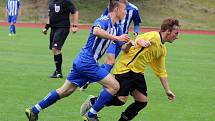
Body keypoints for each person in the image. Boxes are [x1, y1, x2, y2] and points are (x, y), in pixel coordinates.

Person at [25, 1, 130, 121]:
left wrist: (131, 43)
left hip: (83, 61)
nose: (125, 12)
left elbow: (123, 47)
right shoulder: (104, 20)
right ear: (116, 9)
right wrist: (116, 38)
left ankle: (34, 110)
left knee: (65, 91)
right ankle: (91, 115)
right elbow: (96, 30)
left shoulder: (117, 27)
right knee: (114, 86)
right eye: (124, 9)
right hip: (87, 61)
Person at [80, 18, 179, 121]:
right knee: (121, 100)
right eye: (175, 33)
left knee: (142, 101)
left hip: (138, 73)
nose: (177, 37)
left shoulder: (162, 50)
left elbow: (161, 71)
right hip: (125, 69)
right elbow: (138, 39)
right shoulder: (154, 36)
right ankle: (94, 101)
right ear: (168, 31)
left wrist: (167, 90)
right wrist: (142, 42)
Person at [80, 0, 142, 90]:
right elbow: (104, 17)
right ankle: (105, 86)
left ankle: (89, 79)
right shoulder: (115, 6)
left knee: (107, 64)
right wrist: (110, 32)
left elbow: (136, 23)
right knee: (111, 61)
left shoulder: (134, 9)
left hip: (122, 38)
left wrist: (136, 31)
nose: (124, 12)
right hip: (110, 36)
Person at [42, 0, 79, 78]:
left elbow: (75, 12)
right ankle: (57, 71)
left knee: (56, 49)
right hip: (53, 28)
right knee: (54, 49)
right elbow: (50, 16)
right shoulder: (51, 2)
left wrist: (75, 25)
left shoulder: (65, 1)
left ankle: (58, 72)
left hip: (63, 28)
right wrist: (46, 28)